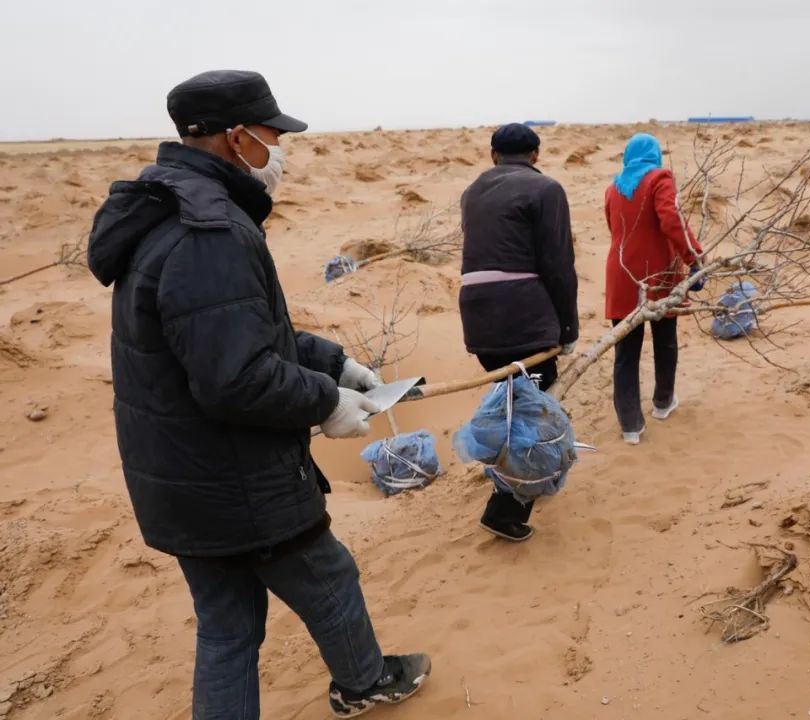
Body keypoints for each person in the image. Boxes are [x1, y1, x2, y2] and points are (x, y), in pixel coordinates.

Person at [86, 69, 430, 719]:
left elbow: (235, 330)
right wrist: (326, 404)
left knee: (228, 622)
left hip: (183, 477)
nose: (283, 150)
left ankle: (356, 679)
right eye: (274, 134)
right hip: (233, 479)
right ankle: (363, 682)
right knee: (325, 576)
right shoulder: (208, 231)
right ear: (236, 138)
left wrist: (336, 364)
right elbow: (235, 377)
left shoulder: (173, 211)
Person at [458, 122, 579, 542]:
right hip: (522, 314)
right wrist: (568, 327)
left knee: (510, 397)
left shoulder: (472, 190)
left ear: (493, 155)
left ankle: (512, 479)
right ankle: (506, 510)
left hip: (476, 315)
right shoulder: (546, 190)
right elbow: (558, 264)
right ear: (536, 155)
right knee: (529, 407)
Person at [604, 133, 704, 445]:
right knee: (665, 340)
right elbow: (671, 220)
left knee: (626, 352)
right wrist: (695, 258)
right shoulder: (660, 178)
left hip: (622, 274)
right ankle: (663, 403)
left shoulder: (612, 188)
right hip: (659, 273)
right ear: (655, 155)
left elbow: (614, 228)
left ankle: (631, 425)